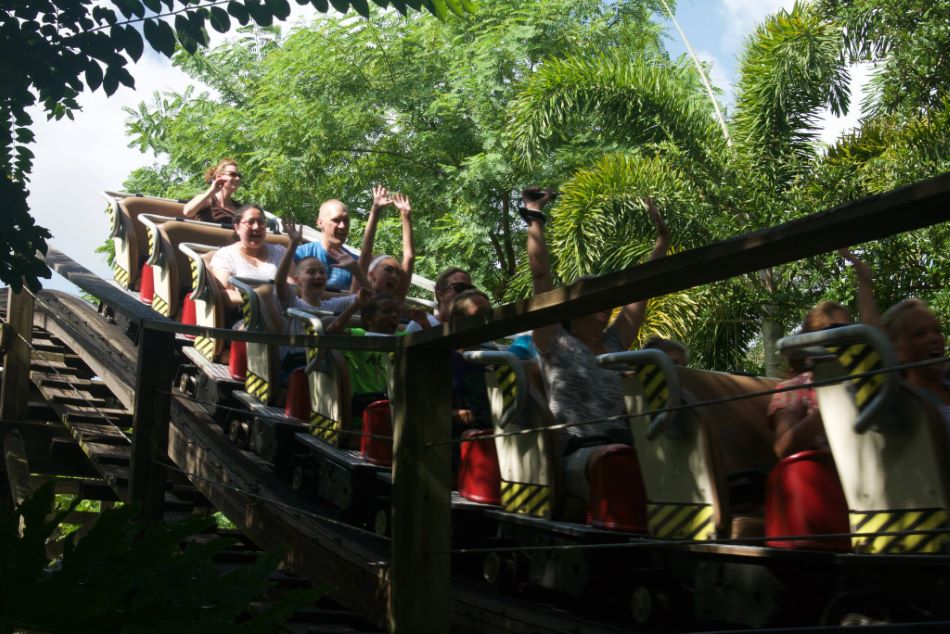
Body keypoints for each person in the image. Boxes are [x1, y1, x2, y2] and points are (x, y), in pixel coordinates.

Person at [523, 186, 670, 468]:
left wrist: (661, 243)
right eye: (592, 297)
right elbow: (540, 275)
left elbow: (643, 290)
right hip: (578, 453)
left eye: (606, 297)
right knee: (618, 465)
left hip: (625, 448)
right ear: (573, 305)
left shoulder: (614, 343)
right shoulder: (554, 340)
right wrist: (534, 213)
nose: (604, 303)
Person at [767, 249, 881, 459]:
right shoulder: (794, 390)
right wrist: (830, 405)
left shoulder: (863, 378)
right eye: (830, 333)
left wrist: (864, 283)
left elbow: (878, 344)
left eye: (846, 333)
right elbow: (782, 448)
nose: (840, 342)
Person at [882, 298, 949, 423]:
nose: (934, 338)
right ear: (896, 351)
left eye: (937, 331)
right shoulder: (903, 404)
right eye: (920, 334)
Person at [209, 203, 287, 308]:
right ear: (237, 227)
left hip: (284, 314)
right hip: (246, 316)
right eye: (250, 222)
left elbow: (295, 289)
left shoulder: (280, 253)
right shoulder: (224, 256)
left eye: (261, 222)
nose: (256, 227)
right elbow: (225, 294)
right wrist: (258, 299)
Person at [359, 188, 415, 301]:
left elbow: (409, 257)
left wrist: (405, 215)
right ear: (371, 274)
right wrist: (375, 210)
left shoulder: (396, 298)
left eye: (398, 273)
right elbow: (366, 251)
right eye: (388, 270)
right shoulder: (360, 294)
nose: (394, 276)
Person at [293, 198, 358, 292]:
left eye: (346, 220)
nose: (342, 226)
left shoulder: (355, 263)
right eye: (336, 220)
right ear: (320, 223)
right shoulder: (300, 255)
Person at [405, 267, 475, 333]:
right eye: (460, 287)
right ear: (441, 294)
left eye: (470, 289)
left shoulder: (474, 326)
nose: (466, 293)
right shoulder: (418, 326)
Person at [182, 158, 242, 223]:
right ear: (219, 177)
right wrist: (211, 191)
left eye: (239, 175)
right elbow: (187, 212)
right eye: (233, 174)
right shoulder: (207, 200)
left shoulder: (239, 208)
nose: (237, 178)